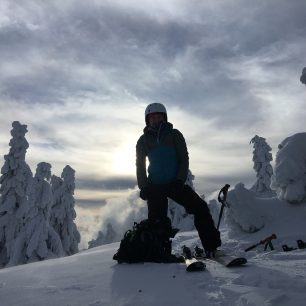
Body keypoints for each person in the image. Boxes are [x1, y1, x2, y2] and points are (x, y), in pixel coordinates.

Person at [136, 103, 221, 256]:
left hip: (174, 183)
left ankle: (211, 247)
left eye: (159, 116)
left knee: (200, 208)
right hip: (154, 185)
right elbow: (140, 164)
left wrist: (179, 180)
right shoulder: (143, 140)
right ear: (147, 120)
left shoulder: (174, 134)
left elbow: (184, 158)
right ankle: (159, 252)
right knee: (157, 221)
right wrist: (143, 186)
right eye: (152, 117)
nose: (156, 120)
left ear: (164, 118)